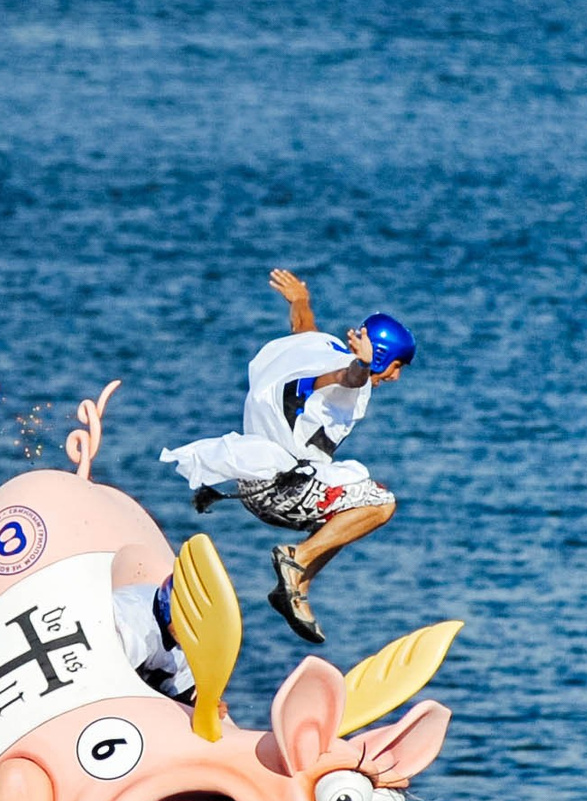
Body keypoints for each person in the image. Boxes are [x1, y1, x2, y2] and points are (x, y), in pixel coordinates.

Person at [160, 268, 415, 645]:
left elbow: (302, 327)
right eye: (395, 367)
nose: (395, 378)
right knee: (380, 505)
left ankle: (294, 589)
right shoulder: (348, 378)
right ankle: (296, 560)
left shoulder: (317, 348)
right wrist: (362, 367)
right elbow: (345, 380)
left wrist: (300, 300)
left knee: (347, 511)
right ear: (380, 358)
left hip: (251, 480)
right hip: (278, 491)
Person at [114, 575, 195, 703]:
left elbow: (182, 698)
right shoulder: (130, 625)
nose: (190, 628)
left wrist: (203, 707)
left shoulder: (191, 653)